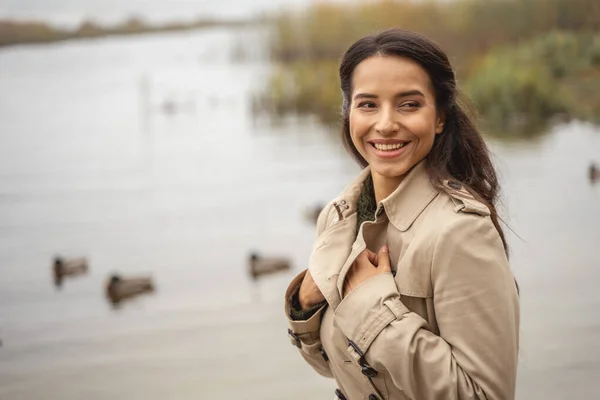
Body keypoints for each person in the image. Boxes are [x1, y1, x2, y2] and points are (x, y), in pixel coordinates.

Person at [284, 29, 520, 400]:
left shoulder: (460, 231)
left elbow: (484, 395)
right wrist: (306, 307)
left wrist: (372, 307)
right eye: (367, 104)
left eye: (409, 104)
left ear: (440, 116)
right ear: (348, 114)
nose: (386, 123)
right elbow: (341, 365)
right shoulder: (338, 218)